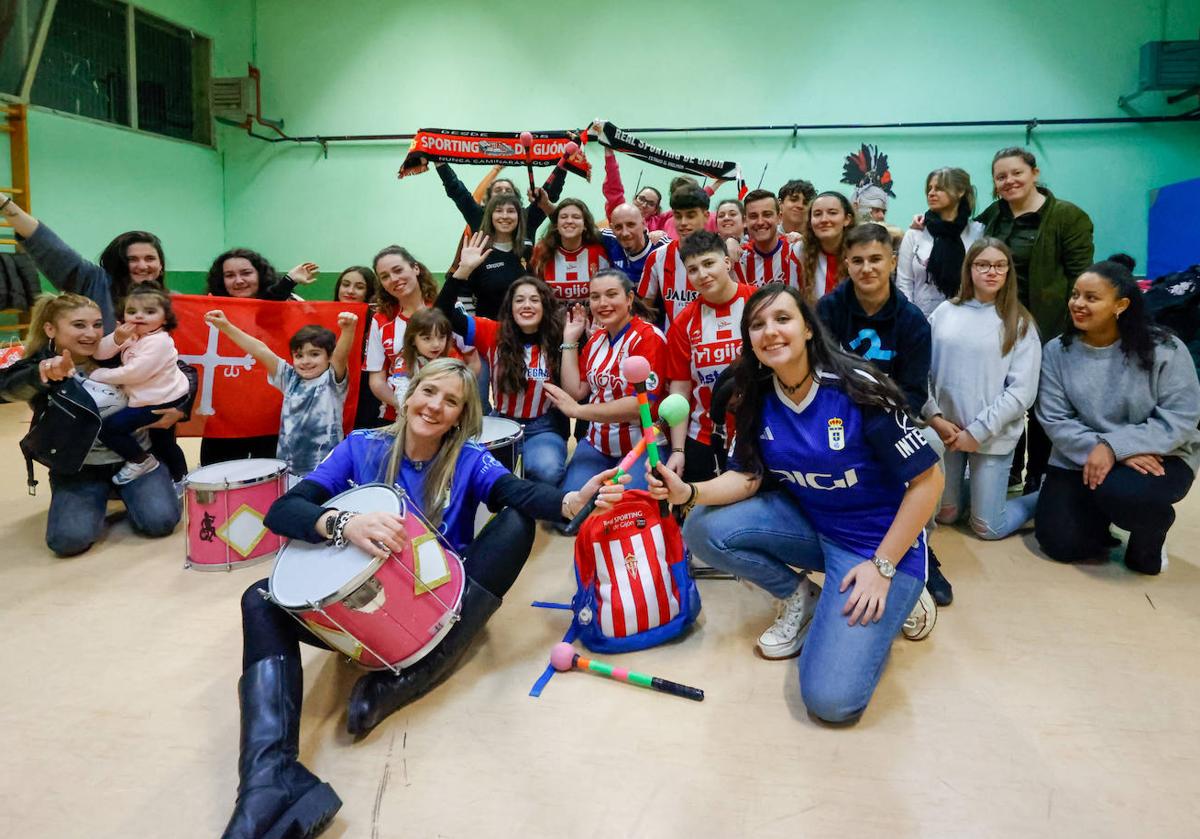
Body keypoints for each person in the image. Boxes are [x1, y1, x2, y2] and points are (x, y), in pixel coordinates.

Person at [222, 358, 625, 838]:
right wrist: (344, 524)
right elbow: (284, 510)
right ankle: (269, 779)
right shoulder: (361, 446)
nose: (435, 406)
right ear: (408, 395)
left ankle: (416, 673)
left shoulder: (469, 457)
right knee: (258, 599)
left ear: (460, 415)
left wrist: (567, 502)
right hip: (358, 619)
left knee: (516, 522)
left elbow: (516, 491)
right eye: (429, 392)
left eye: (451, 400)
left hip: (437, 612)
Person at [650, 284, 942, 723]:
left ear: (808, 328)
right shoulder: (755, 394)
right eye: (757, 324)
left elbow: (929, 481)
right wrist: (690, 492)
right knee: (701, 528)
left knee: (831, 702)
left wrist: (882, 568)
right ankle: (802, 599)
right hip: (812, 525)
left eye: (782, 319)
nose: (770, 332)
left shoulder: (857, 387)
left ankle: (902, 595)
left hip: (876, 547)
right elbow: (747, 477)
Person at [1030, 260, 1200, 575]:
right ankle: (1097, 517)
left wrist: (1114, 448)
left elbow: (1181, 418)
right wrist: (1106, 449)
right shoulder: (1057, 352)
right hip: (1082, 455)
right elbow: (1055, 420)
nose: (1078, 304)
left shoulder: (1165, 348)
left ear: (1120, 305)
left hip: (1160, 456)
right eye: (1075, 295)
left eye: (1091, 298)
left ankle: (1152, 532)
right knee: (1060, 544)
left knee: (1124, 493)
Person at [2, 202, 193, 479]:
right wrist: (7, 206)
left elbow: (185, 361)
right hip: (91, 407)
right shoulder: (94, 282)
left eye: (150, 258)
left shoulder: (172, 302)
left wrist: (182, 407)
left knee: (160, 510)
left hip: (149, 403)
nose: (142, 265)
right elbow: (50, 248)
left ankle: (159, 481)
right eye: (133, 258)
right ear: (118, 262)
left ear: (160, 264)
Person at [818, 223, 951, 602]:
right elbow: (820, 371)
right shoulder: (828, 309)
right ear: (846, 264)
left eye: (876, 259)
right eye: (857, 261)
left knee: (929, 449)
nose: (867, 268)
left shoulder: (912, 322)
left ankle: (920, 547)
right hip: (835, 415)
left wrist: (874, 420)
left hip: (890, 416)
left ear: (892, 262)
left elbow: (912, 390)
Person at [0, 294, 180, 556]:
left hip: (137, 460)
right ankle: (94, 494)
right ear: (50, 328)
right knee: (67, 542)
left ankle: (131, 488)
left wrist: (181, 409)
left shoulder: (121, 349)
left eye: (97, 324)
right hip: (80, 469)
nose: (91, 333)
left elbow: (180, 369)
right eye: (79, 325)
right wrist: (42, 374)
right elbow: (7, 387)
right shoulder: (40, 365)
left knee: (161, 522)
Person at [977, 146, 1095, 494]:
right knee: (1004, 398)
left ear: (1034, 173)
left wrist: (1079, 326)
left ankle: (1039, 478)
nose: (1009, 181)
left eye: (1016, 173)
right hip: (1001, 325)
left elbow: (1081, 278)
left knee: (1043, 404)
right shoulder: (993, 215)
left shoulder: (1067, 217)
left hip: (1049, 326)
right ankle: (1008, 471)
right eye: (1001, 176)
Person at [926, 239, 1041, 541]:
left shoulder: (1020, 323)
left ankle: (1044, 498)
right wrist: (935, 417)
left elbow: (1021, 393)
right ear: (969, 269)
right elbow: (921, 371)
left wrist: (977, 432)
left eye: (999, 265)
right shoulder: (944, 312)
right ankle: (976, 492)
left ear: (1008, 272)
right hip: (946, 432)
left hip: (991, 436)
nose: (992, 272)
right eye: (983, 265)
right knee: (945, 514)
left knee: (988, 528)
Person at [438, 240, 569, 486]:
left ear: (544, 306)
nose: (527, 305)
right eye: (519, 300)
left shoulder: (559, 337)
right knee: (477, 475)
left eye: (534, 300)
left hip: (542, 427)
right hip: (502, 421)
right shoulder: (492, 332)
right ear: (510, 306)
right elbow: (442, 313)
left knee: (547, 471)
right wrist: (462, 271)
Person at [546, 270, 666, 493]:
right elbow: (577, 391)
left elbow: (639, 406)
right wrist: (570, 339)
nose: (603, 303)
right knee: (570, 505)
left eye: (611, 295)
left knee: (624, 514)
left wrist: (578, 412)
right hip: (596, 444)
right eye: (595, 297)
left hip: (642, 446)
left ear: (629, 299)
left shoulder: (649, 338)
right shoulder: (596, 341)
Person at [204, 310, 357, 480]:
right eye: (299, 356)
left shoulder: (331, 381)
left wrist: (348, 330)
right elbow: (260, 350)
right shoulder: (289, 378)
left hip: (326, 470)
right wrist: (226, 326)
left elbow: (341, 356)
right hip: (288, 471)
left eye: (314, 354)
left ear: (329, 357)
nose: (305, 361)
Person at [665, 231, 754, 483]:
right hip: (703, 437)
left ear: (727, 262)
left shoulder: (759, 303)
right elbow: (680, 391)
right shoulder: (683, 322)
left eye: (708, 263)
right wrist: (678, 450)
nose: (702, 275)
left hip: (759, 432)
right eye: (692, 269)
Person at [89, 284, 190, 485]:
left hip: (162, 398)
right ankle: (180, 480)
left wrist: (100, 374)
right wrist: (117, 338)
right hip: (155, 394)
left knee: (110, 429)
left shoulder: (159, 341)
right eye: (132, 311)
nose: (139, 316)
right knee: (162, 440)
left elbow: (136, 372)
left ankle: (141, 460)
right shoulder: (134, 336)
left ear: (165, 318)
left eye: (150, 312)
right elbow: (99, 353)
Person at [897, 167, 985, 318]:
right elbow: (904, 283)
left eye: (939, 188)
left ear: (960, 191)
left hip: (965, 317)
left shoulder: (978, 232)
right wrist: (910, 320)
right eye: (929, 188)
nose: (931, 193)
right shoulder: (915, 233)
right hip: (920, 320)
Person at [365, 245, 437, 421]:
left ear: (415, 268)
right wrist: (404, 404)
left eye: (398, 270)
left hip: (441, 412)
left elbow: (471, 363)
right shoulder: (380, 320)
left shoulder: (445, 308)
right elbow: (376, 380)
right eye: (385, 276)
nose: (394, 279)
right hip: (397, 415)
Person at [638, 184, 712, 329]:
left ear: (706, 216)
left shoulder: (723, 255)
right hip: (672, 344)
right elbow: (645, 309)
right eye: (678, 216)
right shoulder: (657, 257)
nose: (683, 223)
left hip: (714, 346)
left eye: (691, 215)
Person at [530, 198, 610, 305]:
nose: (569, 221)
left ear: (585, 225)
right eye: (563, 217)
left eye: (576, 217)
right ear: (556, 225)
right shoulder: (542, 251)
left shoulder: (600, 252)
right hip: (554, 321)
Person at [333, 265, 385, 428]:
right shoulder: (322, 314)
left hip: (365, 396)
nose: (350, 291)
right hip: (331, 394)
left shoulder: (378, 320)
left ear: (370, 292)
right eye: (345, 284)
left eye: (359, 287)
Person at [738, 189, 802, 289]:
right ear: (745, 221)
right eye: (753, 216)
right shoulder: (740, 258)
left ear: (779, 218)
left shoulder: (796, 250)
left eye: (767, 214)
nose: (760, 222)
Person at [799, 191, 857, 300]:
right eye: (817, 214)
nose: (824, 220)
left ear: (847, 219)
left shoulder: (861, 252)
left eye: (832, 213)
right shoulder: (799, 251)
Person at [205, 248, 320, 300]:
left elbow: (268, 304)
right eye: (229, 275)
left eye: (246, 273)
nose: (239, 281)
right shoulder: (210, 308)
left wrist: (289, 281)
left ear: (260, 275)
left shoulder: (292, 301)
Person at [601, 203, 662, 284]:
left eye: (631, 225)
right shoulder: (610, 239)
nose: (625, 233)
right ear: (612, 228)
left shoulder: (662, 249)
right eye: (618, 227)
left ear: (643, 224)